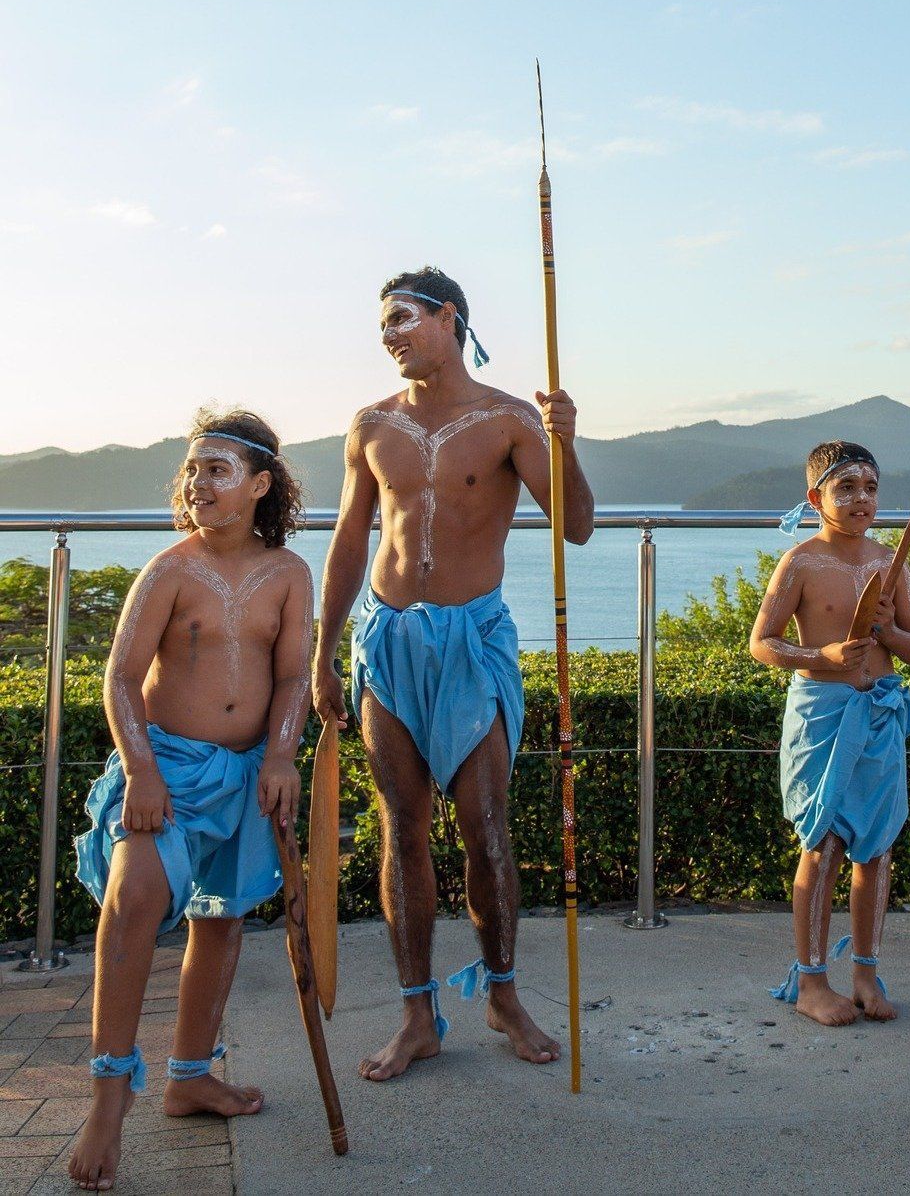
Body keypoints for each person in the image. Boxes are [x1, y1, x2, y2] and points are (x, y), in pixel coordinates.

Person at [313, 267, 593, 1080]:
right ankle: (416, 1013)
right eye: (383, 326)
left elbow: (574, 528)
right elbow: (346, 543)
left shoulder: (508, 420)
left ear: (450, 318)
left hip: (473, 640)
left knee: (484, 822)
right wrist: (324, 652)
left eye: (403, 319)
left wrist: (563, 443)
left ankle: (503, 994)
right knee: (402, 826)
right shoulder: (370, 425)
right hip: (388, 639)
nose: (391, 335)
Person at [69, 411, 311, 1190]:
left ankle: (189, 1075)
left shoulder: (289, 574)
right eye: (192, 470)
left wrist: (280, 755)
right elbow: (118, 677)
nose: (198, 484)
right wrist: (141, 774)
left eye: (217, 470)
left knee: (221, 918)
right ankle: (109, 1097)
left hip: (244, 774)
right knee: (134, 898)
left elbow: (292, 676)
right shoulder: (169, 569)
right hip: (166, 770)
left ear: (259, 485)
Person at [749, 440, 910, 1025]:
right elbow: (763, 642)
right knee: (822, 846)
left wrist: (889, 633)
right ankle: (810, 982)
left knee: (875, 849)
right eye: (845, 487)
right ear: (815, 498)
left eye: (870, 488)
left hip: (878, 713)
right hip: (822, 714)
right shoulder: (801, 561)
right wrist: (822, 654)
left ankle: (867, 975)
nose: (861, 499)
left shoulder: (888, 563)